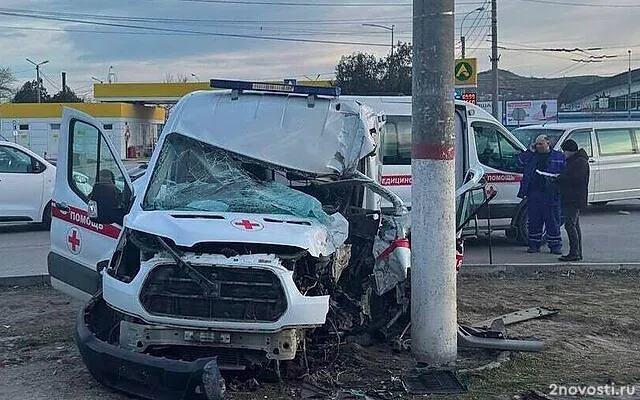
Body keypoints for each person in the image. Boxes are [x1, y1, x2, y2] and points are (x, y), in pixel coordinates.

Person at [517, 134, 566, 254]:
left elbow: (565, 172)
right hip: (534, 193)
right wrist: (529, 150)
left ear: (548, 143)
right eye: (537, 144)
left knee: (553, 221)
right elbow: (518, 162)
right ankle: (534, 245)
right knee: (534, 221)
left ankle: (555, 246)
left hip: (552, 194)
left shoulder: (558, 156)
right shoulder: (531, 156)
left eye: (540, 143)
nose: (538, 146)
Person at [555, 139, 589, 261]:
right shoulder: (575, 161)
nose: (564, 153)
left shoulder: (579, 162)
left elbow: (576, 179)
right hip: (573, 197)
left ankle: (574, 252)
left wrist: (560, 178)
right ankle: (577, 252)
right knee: (574, 225)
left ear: (570, 150)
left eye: (565, 151)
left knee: (570, 225)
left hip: (574, 198)